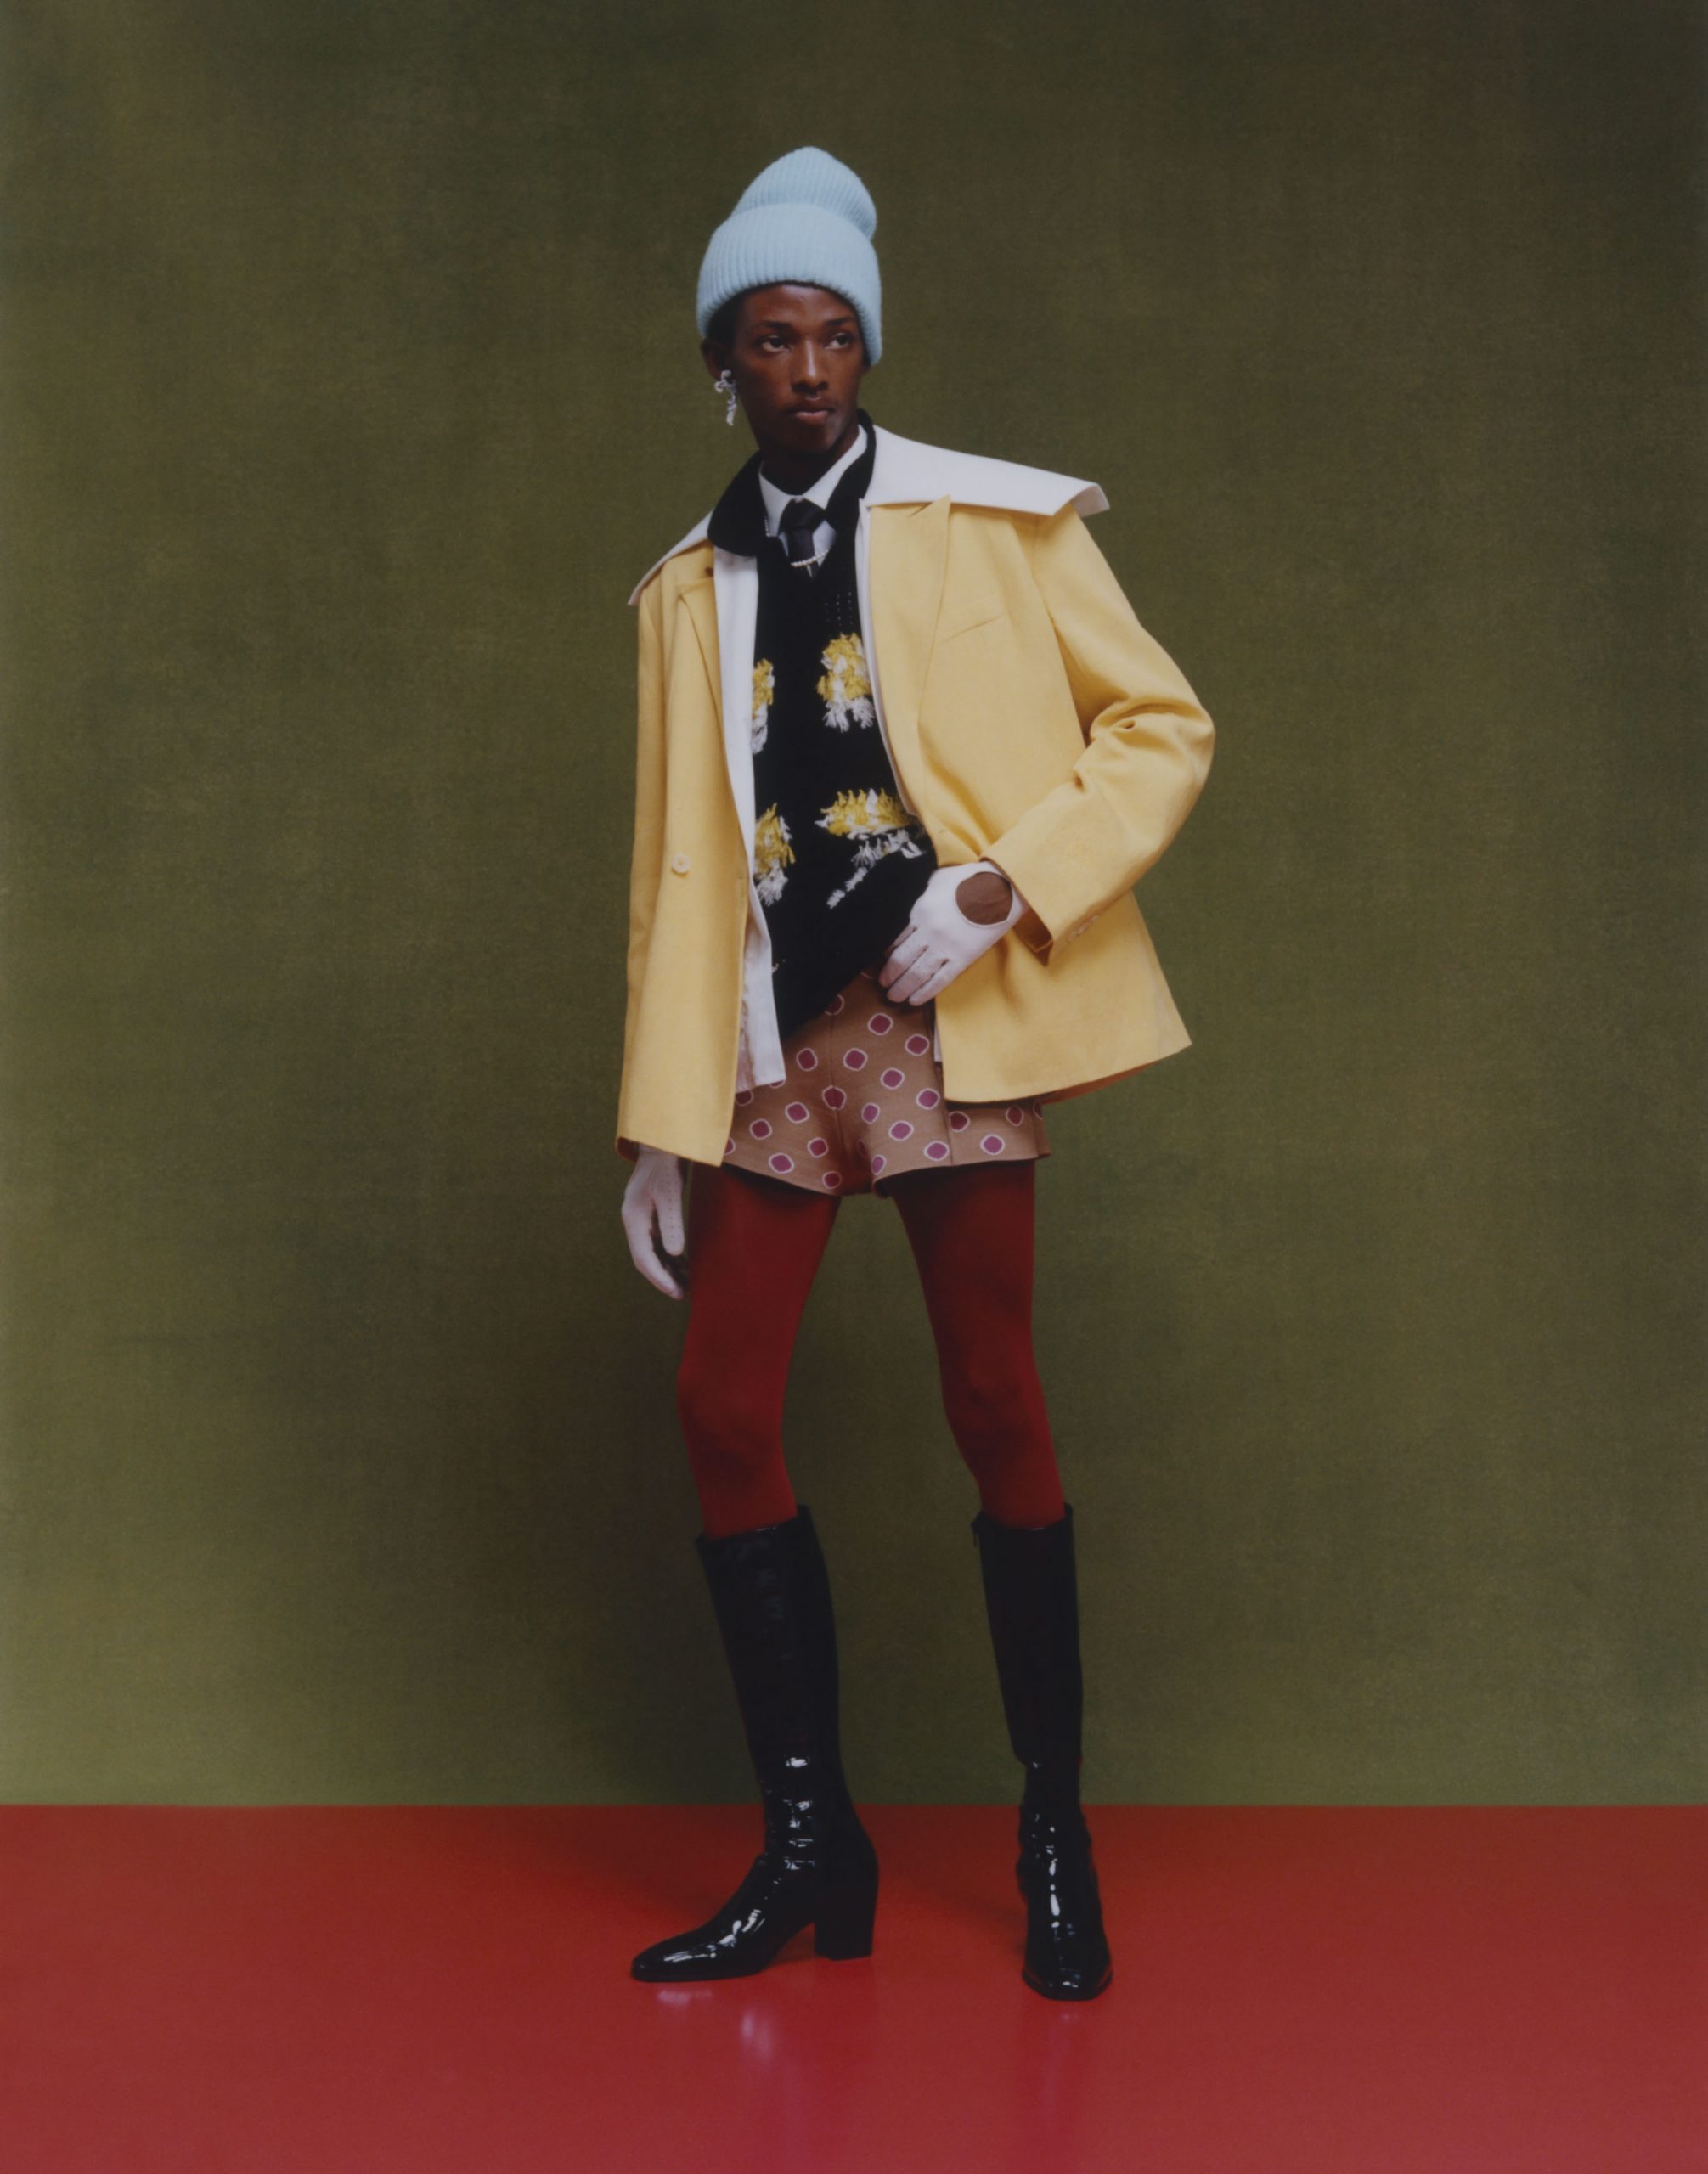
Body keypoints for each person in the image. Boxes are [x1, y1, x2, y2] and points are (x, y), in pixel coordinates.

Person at [616, 148, 1214, 2000]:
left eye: (834, 336)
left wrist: (1005, 883)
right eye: (771, 339)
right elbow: (668, 869)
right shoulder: (684, 586)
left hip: (946, 1006)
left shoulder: (994, 521)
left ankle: (1053, 1828)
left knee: (992, 1392)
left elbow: (1162, 724)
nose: (807, 369)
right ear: (720, 362)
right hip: (767, 1030)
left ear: (865, 348)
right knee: (722, 1408)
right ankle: (812, 1842)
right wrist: (653, 1118)